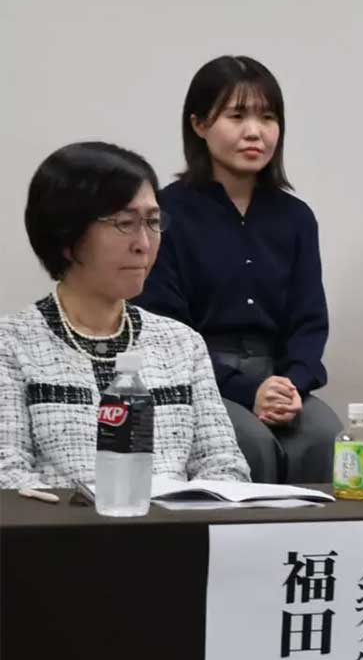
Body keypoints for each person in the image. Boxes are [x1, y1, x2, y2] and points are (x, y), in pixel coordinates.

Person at [135, 55, 340, 484]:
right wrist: (248, 391)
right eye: (237, 116)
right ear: (199, 124)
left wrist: (291, 384)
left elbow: (309, 320)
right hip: (198, 376)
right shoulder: (166, 212)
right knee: (249, 442)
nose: (254, 132)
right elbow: (165, 326)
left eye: (268, 117)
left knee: (325, 436)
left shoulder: (296, 217)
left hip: (277, 375)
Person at [0, 142, 250, 489]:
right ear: (67, 237)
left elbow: (225, 465)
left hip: (178, 521)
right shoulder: (11, 344)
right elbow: (7, 472)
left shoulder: (182, 343)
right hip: (60, 522)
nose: (144, 244)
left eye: (153, 222)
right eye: (125, 223)